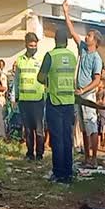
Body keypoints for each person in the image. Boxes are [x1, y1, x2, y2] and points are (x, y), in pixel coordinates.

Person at [61, 0, 103, 168]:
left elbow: (97, 80)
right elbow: (72, 33)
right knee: (84, 128)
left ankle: (94, 157)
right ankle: (86, 156)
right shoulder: (83, 48)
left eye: (90, 36)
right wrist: (66, 13)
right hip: (79, 93)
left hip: (87, 94)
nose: (87, 37)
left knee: (92, 126)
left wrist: (84, 90)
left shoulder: (96, 58)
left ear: (96, 41)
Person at [38, 26, 77, 183]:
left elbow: (41, 77)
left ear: (55, 40)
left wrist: (49, 80)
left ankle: (59, 173)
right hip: (69, 102)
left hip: (54, 101)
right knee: (67, 138)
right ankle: (68, 172)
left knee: (57, 138)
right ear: (67, 41)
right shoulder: (72, 56)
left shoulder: (50, 56)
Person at [14, 33, 47, 160]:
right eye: (31, 45)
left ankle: (39, 153)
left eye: (35, 45)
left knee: (39, 130)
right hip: (23, 100)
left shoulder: (40, 60)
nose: (33, 47)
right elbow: (17, 80)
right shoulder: (20, 60)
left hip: (38, 100)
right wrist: (15, 96)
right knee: (28, 130)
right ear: (26, 45)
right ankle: (29, 153)